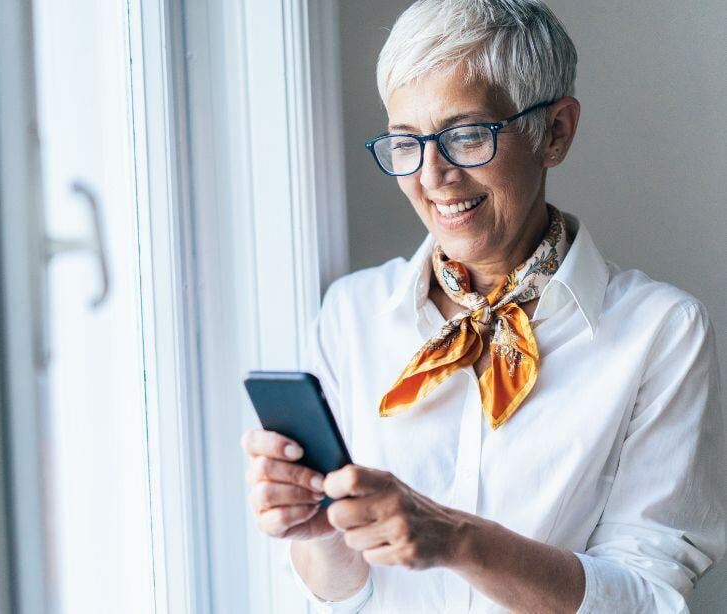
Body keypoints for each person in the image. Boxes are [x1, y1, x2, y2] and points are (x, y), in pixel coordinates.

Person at [240, 0, 727, 611]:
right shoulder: (351, 315)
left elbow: (650, 600)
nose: (433, 176)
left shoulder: (662, 334)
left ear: (555, 132)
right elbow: (343, 595)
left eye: (466, 134)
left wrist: (458, 540)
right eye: (405, 142)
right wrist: (321, 532)